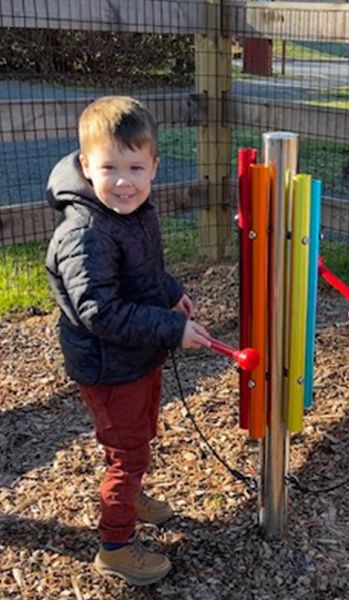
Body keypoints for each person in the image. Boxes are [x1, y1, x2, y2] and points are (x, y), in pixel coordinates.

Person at [45, 96, 211, 586]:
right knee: (128, 453)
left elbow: (144, 273)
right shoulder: (85, 233)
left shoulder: (134, 211)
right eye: (109, 167)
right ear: (84, 165)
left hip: (136, 357)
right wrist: (171, 329)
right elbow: (101, 312)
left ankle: (130, 494)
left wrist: (172, 293)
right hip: (108, 364)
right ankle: (115, 546)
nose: (123, 180)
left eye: (135, 166)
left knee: (137, 437)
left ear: (154, 167)